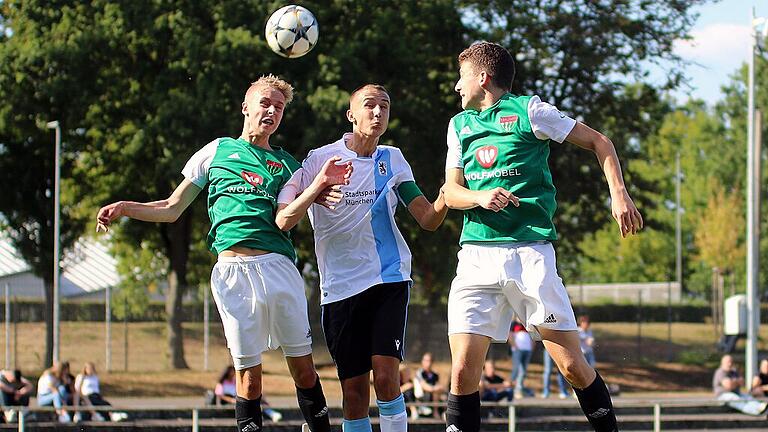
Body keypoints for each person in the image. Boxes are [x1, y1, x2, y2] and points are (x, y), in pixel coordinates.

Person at [95, 75, 347, 432]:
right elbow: (171, 207)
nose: (272, 111)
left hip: (278, 267)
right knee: (249, 379)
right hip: (232, 273)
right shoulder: (217, 150)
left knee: (303, 369)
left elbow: (297, 210)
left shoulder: (288, 164)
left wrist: (319, 192)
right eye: (265, 103)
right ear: (246, 107)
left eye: (279, 107)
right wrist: (125, 207)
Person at [442, 41, 643, 432]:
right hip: (476, 257)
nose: (456, 86)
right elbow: (450, 192)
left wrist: (618, 192)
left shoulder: (529, 111)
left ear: (483, 78)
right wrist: (480, 196)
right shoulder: (459, 125)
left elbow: (599, 142)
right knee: (463, 370)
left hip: (530, 254)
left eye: (461, 76)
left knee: (571, 366)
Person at [275, 84, 448, 432]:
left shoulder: (393, 159)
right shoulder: (320, 158)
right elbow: (284, 218)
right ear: (351, 115)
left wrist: (451, 190)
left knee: (387, 377)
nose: (378, 112)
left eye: (385, 106)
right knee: (354, 394)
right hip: (339, 288)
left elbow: (427, 218)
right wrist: (315, 190)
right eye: (369, 105)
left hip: (388, 279)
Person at [213, 365, 282, 422]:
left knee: (258, 399)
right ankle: (268, 414)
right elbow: (220, 395)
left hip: (237, 398)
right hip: (229, 401)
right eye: (232, 371)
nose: (233, 373)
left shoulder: (235, 381)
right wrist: (232, 400)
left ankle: (271, 413)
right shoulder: (222, 383)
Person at [414, 352, 446, 418]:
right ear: (422, 361)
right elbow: (425, 387)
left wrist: (438, 389)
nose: (427, 363)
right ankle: (435, 411)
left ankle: (445, 413)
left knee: (445, 396)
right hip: (422, 396)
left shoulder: (435, 374)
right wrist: (435, 389)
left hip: (434, 397)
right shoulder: (419, 373)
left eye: (429, 360)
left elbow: (440, 386)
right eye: (425, 360)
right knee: (436, 393)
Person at [508, 322, 533, 398]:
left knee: (523, 371)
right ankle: (512, 389)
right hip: (517, 350)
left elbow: (533, 336)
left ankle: (518, 389)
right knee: (518, 370)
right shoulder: (514, 324)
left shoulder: (528, 324)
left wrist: (532, 346)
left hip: (527, 350)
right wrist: (515, 346)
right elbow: (510, 335)